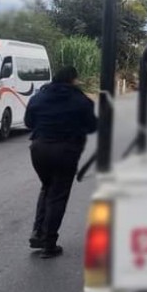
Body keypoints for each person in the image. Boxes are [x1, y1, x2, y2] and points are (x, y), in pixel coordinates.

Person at [25, 66, 97, 258]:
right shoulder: (81, 100)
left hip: (39, 150)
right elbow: (92, 127)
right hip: (65, 151)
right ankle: (49, 244)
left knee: (47, 187)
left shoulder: (38, 98)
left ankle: (38, 233)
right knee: (58, 195)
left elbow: (29, 123)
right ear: (73, 79)